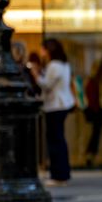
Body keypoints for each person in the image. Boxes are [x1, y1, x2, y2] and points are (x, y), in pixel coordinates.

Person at [31, 38, 75, 186]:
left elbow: (46, 85)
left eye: (43, 49)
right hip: (62, 105)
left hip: (55, 106)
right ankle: (62, 173)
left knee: (55, 141)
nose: (41, 52)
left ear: (48, 50)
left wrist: (36, 74)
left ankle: (58, 175)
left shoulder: (54, 65)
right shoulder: (64, 65)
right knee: (59, 140)